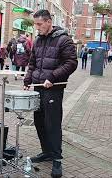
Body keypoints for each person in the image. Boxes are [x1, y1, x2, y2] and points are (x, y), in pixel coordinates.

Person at [23, 10, 78, 178]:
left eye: (39, 24)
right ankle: (46, 152)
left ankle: (57, 159)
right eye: (35, 24)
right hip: (39, 87)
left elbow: (71, 63)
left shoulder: (64, 39)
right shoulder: (38, 40)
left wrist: (53, 77)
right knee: (39, 121)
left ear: (48, 22)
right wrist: (27, 80)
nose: (37, 27)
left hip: (53, 88)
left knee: (52, 124)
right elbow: (33, 63)